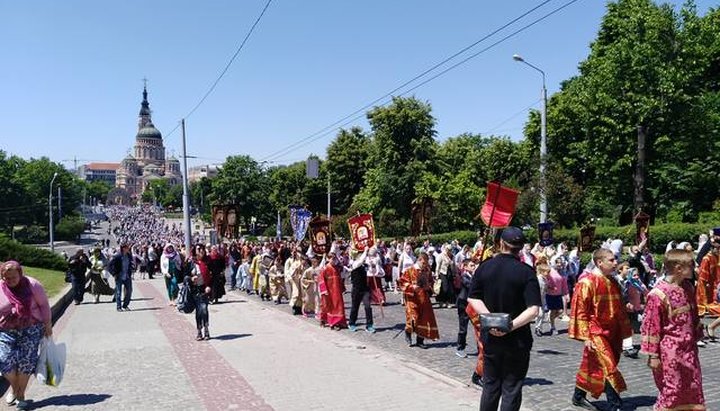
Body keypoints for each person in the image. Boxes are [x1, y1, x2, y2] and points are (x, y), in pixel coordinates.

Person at [467, 227, 541, 411]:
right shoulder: (527, 272)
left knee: (490, 387)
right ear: (521, 247)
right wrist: (509, 326)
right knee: (511, 389)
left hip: (491, 337)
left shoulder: (485, 266)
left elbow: (473, 297)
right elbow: (533, 310)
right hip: (517, 339)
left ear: (501, 243)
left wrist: (490, 319)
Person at [640, 249, 705, 410]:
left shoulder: (688, 287)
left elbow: (694, 314)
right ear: (678, 268)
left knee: (693, 387)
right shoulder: (658, 294)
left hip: (689, 350)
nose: (695, 268)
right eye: (691, 265)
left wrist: (697, 334)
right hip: (669, 352)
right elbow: (651, 326)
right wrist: (653, 356)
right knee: (672, 389)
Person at [569, 248, 632, 411]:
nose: (615, 263)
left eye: (615, 259)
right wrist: (586, 337)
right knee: (608, 366)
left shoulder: (613, 281)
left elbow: (617, 306)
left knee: (593, 365)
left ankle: (578, 396)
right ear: (599, 262)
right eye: (611, 260)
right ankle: (614, 405)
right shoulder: (586, 283)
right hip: (595, 332)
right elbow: (580, 311)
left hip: (612, 332)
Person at [0, 261, 52, 410]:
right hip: (6, 330)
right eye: (6, 278)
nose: (10, 281)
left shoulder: (32, 285)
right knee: (4, 361)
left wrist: (47, 325)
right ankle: (15, 388)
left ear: (20, 274)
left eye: (13, 277)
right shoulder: (1, 287)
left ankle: (21, 394)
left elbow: (44, 305)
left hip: (31, 329)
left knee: (26, 362)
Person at [398, 252, 439, 348]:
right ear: (419, 260)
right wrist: (412, 287)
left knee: (424, 319)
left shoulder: (427, 270)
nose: (425, 265)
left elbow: (430, 282)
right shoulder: (409, 270)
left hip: (424, 297)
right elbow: (402, 282)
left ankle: (420, 340)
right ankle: (408, 332)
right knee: (413, 317)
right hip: (412, 298)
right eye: (424, 263)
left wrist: (430, 286)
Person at [348, 249, 375, 333]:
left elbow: (375, 272)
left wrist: (373, 266)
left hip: (365, 288)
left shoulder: (365, 265)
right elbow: (360, 261)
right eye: (359, 255)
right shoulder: (354, 263)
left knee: (368, 307)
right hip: (356, 288)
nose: (361, 256)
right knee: (355, 307)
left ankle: (369, 325)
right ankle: (352, 323)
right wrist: (365, 251)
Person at [317, 251, 347, 329]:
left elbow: (339, 278)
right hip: (328, 291)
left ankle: (338, 322)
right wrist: (324, 290)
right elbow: (321, 280)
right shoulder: (325, 268)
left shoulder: (336, 268)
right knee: (327, 305)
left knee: (338, 305)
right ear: (328, 259)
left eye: (334, 259)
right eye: (331, 259)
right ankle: (324, 320)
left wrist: (342, 287)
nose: (333, 260)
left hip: (336, 291)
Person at [187, 244, 211, 341]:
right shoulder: (191, 262)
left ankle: (206, 329)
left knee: (204, 309)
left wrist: (209, 286)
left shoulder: (208, 262)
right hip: (195, 290)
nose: (201, 251)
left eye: (202, 249)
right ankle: (199, 331)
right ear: (195, 251)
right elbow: (185, 276)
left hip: (204, 289)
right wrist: (191, 278)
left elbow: (212, 275)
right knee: (198, 311)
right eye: (198, 249)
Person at [109, 243, 135, 312]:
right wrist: (114, 274)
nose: (128, 248)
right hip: (119, 276)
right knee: (118, 292)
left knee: (129, 291)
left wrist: (132, 268)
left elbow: (130, 263)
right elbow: (110, 266)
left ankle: (125, 305)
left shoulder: (129, 256)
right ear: (123, 248)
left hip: (127, 276)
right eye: (127, 247)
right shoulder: (117, 256)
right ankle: (118, 307)